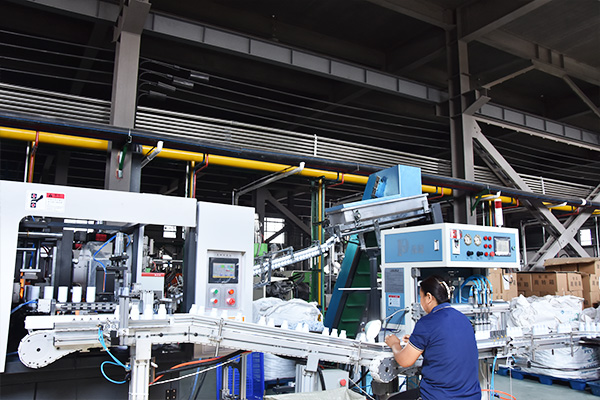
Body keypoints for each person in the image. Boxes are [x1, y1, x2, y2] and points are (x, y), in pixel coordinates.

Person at [384, 275, 481, 400]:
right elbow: (443, 343)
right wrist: (418, 342)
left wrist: (394, 344)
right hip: (471, 396)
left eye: (421, 297)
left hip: (440, 396)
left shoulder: (427, 322)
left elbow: (404, 361)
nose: (420, 302)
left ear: (429, 297)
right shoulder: (463, 319)